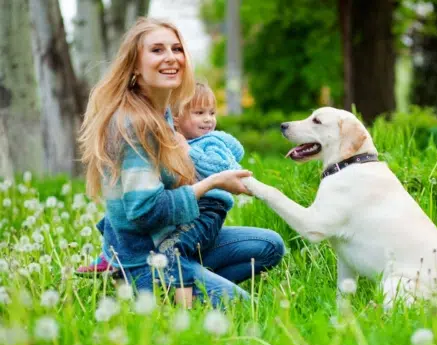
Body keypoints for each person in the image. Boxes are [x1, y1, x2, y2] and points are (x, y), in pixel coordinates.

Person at [78, 17, 285, 307]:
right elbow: (145, 211)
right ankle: (151, 285)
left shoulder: (161, 114)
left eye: (176, 49)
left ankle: (187, 282)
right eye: (157, 50)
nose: (171, 58)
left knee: (269, 246)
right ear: (135, 65)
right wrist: (213, 182)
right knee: (242, 307)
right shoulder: (135, 123)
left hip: (173, 243)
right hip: (147, 257)